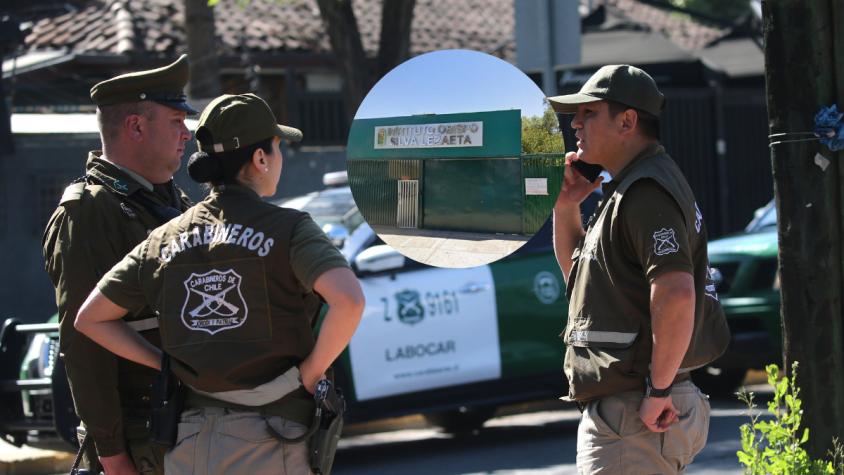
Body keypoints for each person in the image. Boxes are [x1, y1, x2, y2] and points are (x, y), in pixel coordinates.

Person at [73, 93, 365, 475]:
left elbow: (90, 318)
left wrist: (166, 364)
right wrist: (311, 371)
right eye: (277, 149)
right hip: (271, 439)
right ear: (260, 159)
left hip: (187, 443)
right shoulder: (289, 229)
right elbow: (350, 301)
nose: (279, 160)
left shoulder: (163, 238)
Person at [547, 64, 731, 474]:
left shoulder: (645, 191)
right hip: (632, 413)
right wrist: (566, 206)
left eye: (589, 113)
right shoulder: (627, 189)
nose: (575, 123)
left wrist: (658, 389)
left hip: (636, 415)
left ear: (627, 120)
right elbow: (580, 283)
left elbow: (677, 292)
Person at [42, 55, 196, 474]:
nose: (186, 134)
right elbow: (83, 342)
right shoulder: (91, 211)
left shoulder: (169, 201)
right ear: (136, 127)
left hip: (182, 422)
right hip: (139, 433)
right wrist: (112, 456)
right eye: (176, 122)